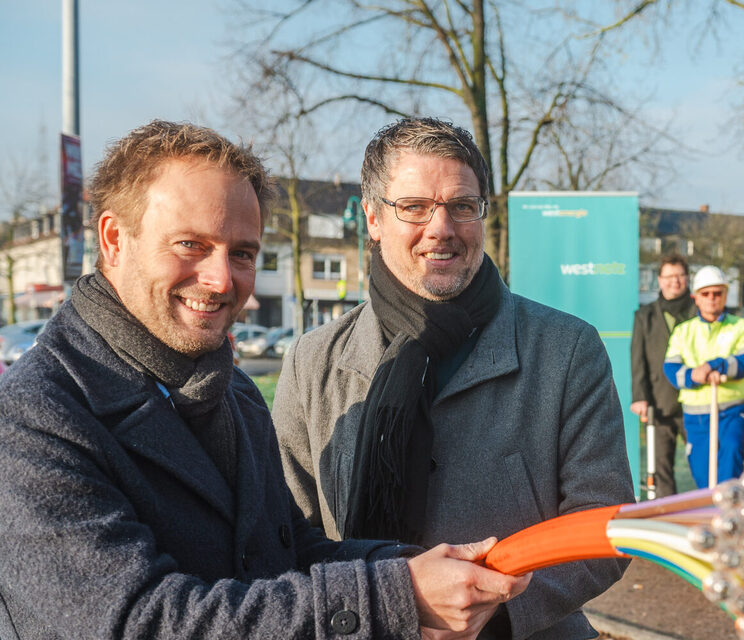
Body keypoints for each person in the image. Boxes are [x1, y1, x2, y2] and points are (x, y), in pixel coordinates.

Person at [0, 120, 529, 639]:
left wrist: (422, 572)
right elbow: (138, 622)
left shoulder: (232, 390)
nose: (221, 279)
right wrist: (397, 595)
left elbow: (286, 553)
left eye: (243, 253)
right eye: (190, 244)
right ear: (115, 238)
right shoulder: (31, 419)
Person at [273, 117, 632, 639]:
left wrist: (498, 609)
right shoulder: (313, 360)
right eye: (414, 207)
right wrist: (380, 605)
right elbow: (285, 533)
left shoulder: (566, 348)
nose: (441, 227)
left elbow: (604, 524)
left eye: (461, 206)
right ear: (373, 218)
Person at [663, 266, 744, 488]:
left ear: (725, 294)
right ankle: (711, 518)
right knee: (703, 477)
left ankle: (729, 519)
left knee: (729, 470)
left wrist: (714, 366)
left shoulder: (742, 327)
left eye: (717, 293)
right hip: (697, 418)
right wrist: (693, 375)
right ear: (696, 298)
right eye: (706, 294)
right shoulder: (683, 331)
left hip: (732, 412)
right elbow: (670, 368)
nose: (712, 299)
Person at [630, 253, 697, 497]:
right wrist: (640, 397)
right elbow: (639, 361)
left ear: (687, 278)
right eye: (669, 276)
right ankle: (667, 521)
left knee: (702, 463)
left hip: (696, 401)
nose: (675, 281)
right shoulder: (644, 316)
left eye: (680, 275)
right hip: (659, 403)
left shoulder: (699, 310)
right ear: (659, 280)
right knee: (661, 469)